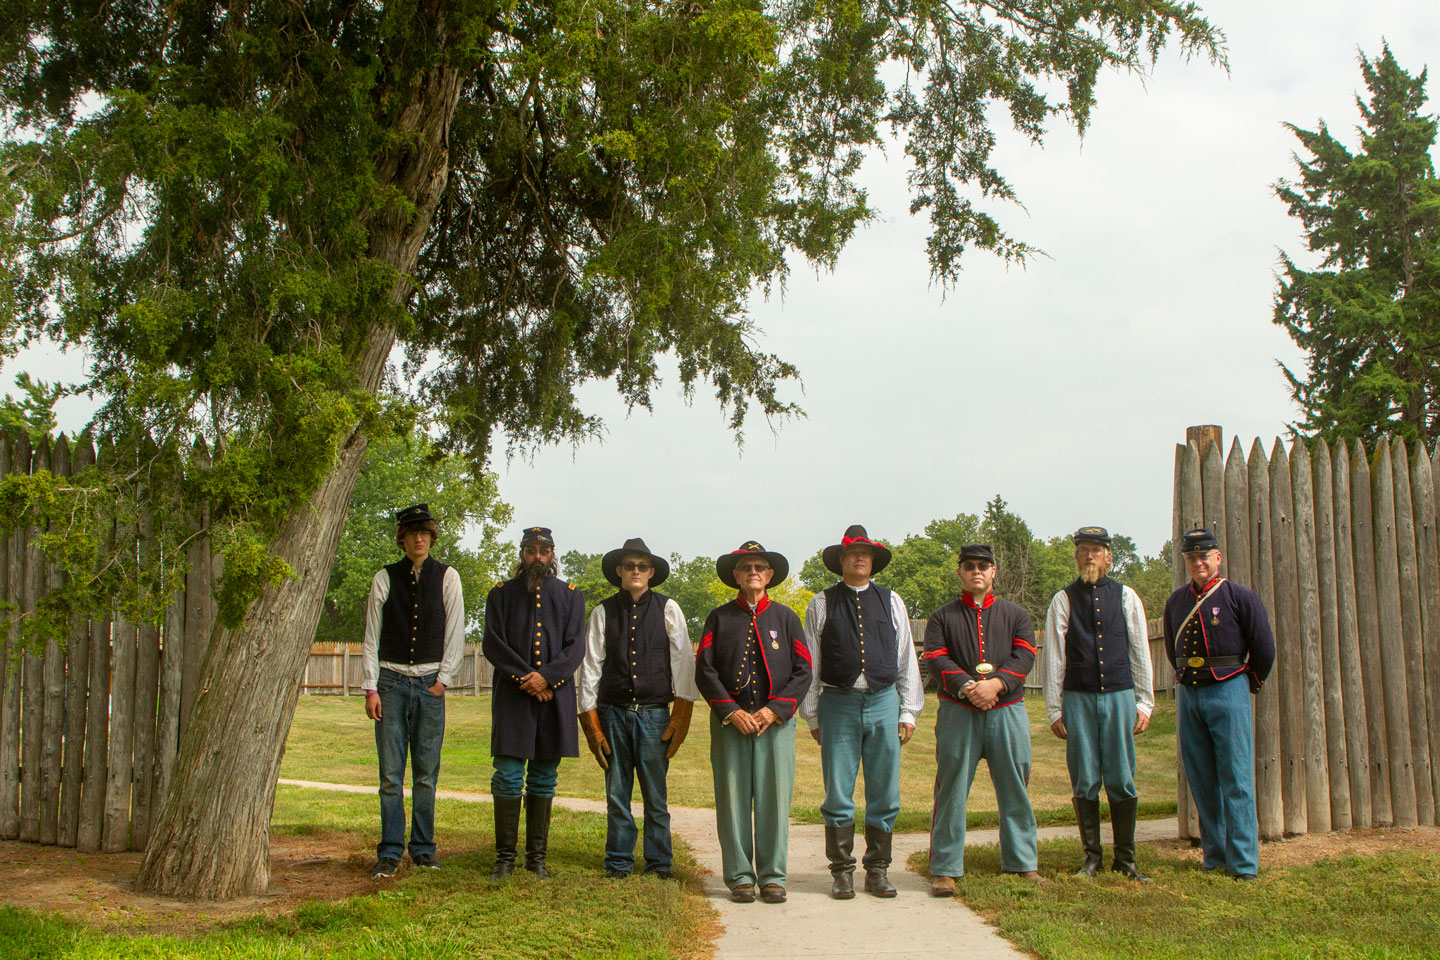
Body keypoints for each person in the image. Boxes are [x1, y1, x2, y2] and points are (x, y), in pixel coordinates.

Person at [800, 524, 924, 899]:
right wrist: (814, 715)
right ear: (841, 560)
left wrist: (908, 711)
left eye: (865, 553)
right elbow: (811, 665)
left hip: (883, 701)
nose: (859, 558)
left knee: (885, 790)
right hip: (838, 702)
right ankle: (841, 871)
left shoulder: (892, 601)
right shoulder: (820, 603)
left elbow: (906, 659)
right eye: (853, 553)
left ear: (872, 561)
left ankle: (878, 870)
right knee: (838, 791)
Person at [694, 541, 812, 905]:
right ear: (736, 575)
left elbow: (804, 670)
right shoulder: (719, 617)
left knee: (774, 800)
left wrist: (775, 709)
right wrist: (730, 711)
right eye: (746, 568)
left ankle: (774, 876)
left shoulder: (787, 618)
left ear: (770, 575)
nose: (753, 573)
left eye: (760, 567)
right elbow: (704, 669)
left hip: (774, 723)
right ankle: (740, 877)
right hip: (732, 722)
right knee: (731, 800)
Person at [576, 537, 700, 879]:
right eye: (629, 565)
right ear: (619, 571)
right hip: (612, 713)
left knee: (655, 797)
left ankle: (659, 863)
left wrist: (681, 715)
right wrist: (591, 724)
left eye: (642, 566)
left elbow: (683, 663)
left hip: (654, 714)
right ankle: (618, 862)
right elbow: (590, 668)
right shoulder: (602, 612)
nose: (635, 571)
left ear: (651, 572)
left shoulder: (668, 608)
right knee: (617, 794)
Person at [923, 544, 1041, 896]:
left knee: (1015, 788)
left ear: (994, 573)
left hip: (1007, 711)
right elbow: (935, 658)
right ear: (959, 572)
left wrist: (996, 684)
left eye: (984, 566)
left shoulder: (1016, 614)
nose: (977, 571)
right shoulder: (941, 617)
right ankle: (945, 868)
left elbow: (1025, 654)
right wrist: (969, 688)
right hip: (959, 712)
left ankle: (1023, 862)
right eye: (970, 566)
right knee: (951, 789)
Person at [1042, 525, 1155, 881]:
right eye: (1083, 550)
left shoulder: (1126, 596)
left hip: (1120, 695)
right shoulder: (1063, 599)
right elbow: (1054, 659)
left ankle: (1126, 859)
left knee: (1122, 777)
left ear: (1108, 556)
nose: (1089, 556)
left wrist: (1145, 702)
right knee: (1085, 777)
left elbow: (1140, 650)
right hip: (1078, 698)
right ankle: (1092, 858)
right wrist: (1055, 709)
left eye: (1096, 549)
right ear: (1076, 556)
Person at [1163, 527, 1275, 880]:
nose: (1198, 563)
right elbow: (1171, 649)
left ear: (1218, 557)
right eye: (1191, 557)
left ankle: (1243, 864)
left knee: (1236, 778)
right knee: (1201, 777)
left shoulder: (1239, 597)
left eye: (1203, 556)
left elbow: (1264, 649)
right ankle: (1215, 856)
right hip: (1191, 693)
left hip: (1228, 689)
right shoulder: (1176, 602)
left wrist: (1247, 684)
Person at [361, 503, 465, 880]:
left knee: (426, 775)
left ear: (431, 537)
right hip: (390, 683)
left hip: (428, 685)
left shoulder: (448, 577)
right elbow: (371, 636)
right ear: (402, 539)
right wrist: (370, 688)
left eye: (424, 532)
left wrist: (444, 681)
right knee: (390, 776)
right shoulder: (384, 578)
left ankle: (423, 849)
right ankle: (389, 852)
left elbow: (456, 632)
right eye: (411, 533)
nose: (418, 538)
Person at [482, 526, 587, 880]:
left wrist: (548, 678)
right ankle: (505, 858)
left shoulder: (571, 596)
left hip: (554, 699)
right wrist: (527, 678)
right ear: (522, 553)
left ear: (553, 555)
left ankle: (536, 858)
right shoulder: (500, 595)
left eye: (544, 550)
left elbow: (576, 647)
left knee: (544, 777)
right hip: (513, 698)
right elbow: (493, 644)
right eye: (531, 550)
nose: (537, 557)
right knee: (508, 776)